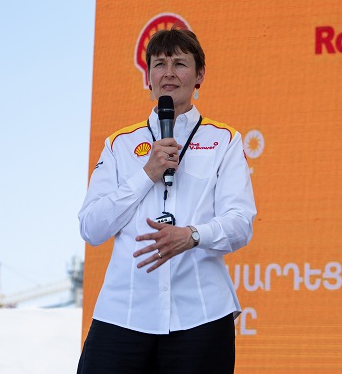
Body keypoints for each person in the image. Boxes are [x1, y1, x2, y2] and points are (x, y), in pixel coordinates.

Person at [77, 28, 256, 373]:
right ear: (148, 77)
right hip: (124, 313)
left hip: (201, 314)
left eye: (180, 64)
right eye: (159, 64)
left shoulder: (225, 140)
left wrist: (192, 235)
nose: (169, 73)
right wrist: (146, 174)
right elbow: (91, 227)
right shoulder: (119, 145)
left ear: (199, 75)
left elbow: (240, 222)